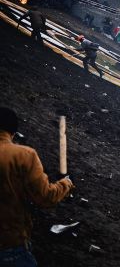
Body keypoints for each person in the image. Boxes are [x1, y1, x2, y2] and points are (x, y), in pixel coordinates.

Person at [0, 107, 74, 266]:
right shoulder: (24, 155)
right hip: (8, 243)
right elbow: (45, 197)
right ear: (12, 133)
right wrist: (65, 184)